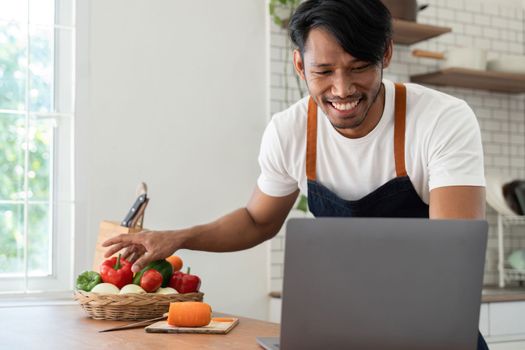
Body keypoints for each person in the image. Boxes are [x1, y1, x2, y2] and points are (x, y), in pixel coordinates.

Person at [103, 0, 488, 348]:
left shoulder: (441, 120)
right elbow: (257, 220)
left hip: (433, 326)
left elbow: (453, 251)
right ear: (300, 65)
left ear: (385, 54)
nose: (342, 89)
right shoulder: (289, 131)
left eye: (358, 68)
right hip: (345, 324)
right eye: (323, 71)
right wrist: (179, 237)